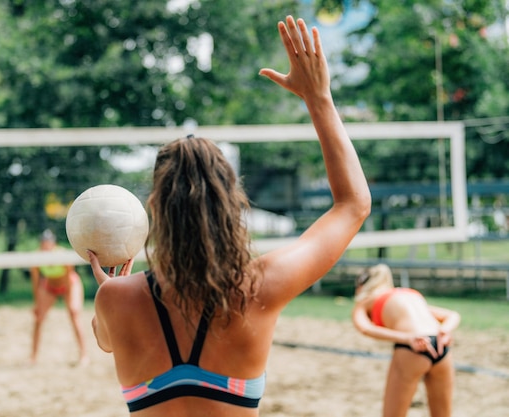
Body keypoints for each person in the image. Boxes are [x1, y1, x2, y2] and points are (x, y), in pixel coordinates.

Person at [86, 15, 371, 416]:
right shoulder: (259, 288)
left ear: (154, 210)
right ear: (231, 205)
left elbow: (105, 339)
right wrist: (318, 98)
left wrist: (110, 289)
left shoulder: (116, 298)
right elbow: (353, 204)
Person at [351, 264, 461, 417]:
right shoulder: (405, 294)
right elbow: (452, 315)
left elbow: (365, 329)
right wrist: (445, 330)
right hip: (441, 347)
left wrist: (407, 338)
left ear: (361, 286)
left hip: (412, 348)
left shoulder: (366, 300)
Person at [29, 229, 88, 366]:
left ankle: (84, 355)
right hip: (49, 286)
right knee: (38, 318)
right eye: (43, 243)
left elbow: (68, 278)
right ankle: (33, 357)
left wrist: (67, 297)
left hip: (69, 284)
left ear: (53, 244)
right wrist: (37, 303)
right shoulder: (36, 258)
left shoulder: (61, 255)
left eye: (48, 243)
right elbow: (36, 282)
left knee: (74, 314)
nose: (46, 246)